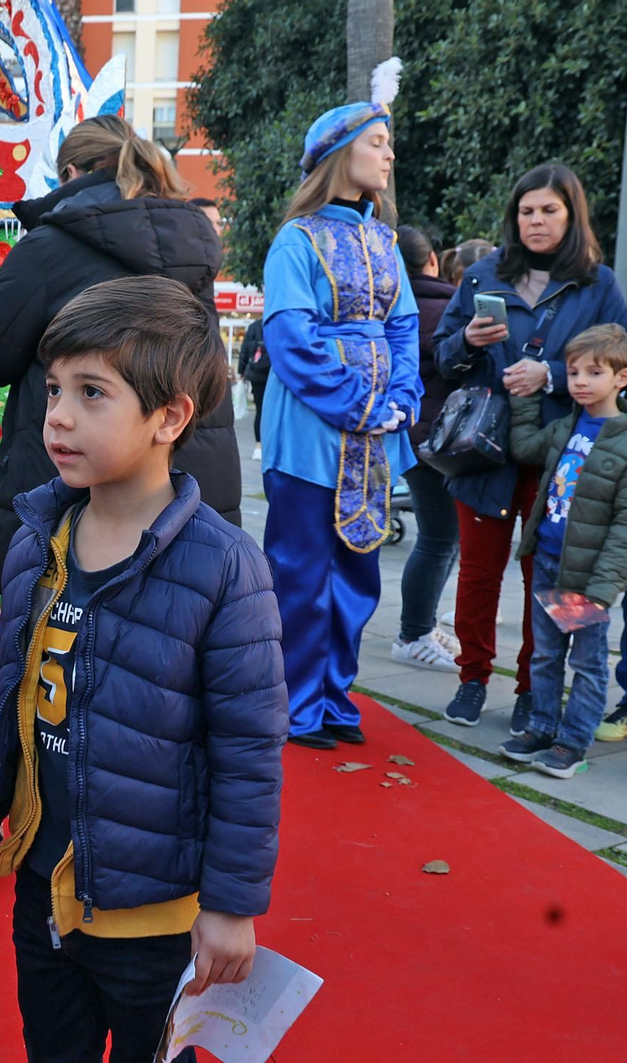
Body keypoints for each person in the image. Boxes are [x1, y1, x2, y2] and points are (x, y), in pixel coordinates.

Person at [0, 275, 285, 1063]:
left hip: (154, 917)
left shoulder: (225, 569)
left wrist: (231, 903)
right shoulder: (39, 538)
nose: (59, 415)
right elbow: (10, 695)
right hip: (44, 893)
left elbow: (248, 753)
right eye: (55, 388)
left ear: (170, 417)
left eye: (92, 392)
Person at [0, 114, 237, 596]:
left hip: (72, 484)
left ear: (70, 173)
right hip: (186, 469)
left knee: (56, 618)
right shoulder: (189, 240)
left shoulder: (52, 244)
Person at [434, 163, 627, 733]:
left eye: (549, 210)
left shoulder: (598, 284)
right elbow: (443, 357)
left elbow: (621, 364)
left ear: (572, 216)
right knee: (478, 572)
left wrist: (551, 376)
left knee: (543, 577)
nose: (536, 221)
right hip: (483, 448)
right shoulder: (483, 274)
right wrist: (468, 339)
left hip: (561, 455)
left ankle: (530, 689)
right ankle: (472, 678)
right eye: (526, 211)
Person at [259, 81, 421, 749]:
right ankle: (293, 705)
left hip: (375, 436)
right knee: (300, 571)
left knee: (358, 570)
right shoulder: (295, 240)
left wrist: (403, 398)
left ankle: (333, 698)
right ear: (339, 154)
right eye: (377, 143)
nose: (388, 155)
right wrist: (360, 405)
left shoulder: (385, 241)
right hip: (310, 435)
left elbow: (404, 326)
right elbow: (289, 338)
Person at [500, 324, 627, 776]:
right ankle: (541, 728)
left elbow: (626, 525)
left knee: (586, 662)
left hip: (585, 573)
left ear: (622, 378)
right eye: (573, 372)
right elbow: (524, 447)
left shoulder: (624, 439)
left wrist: (603, 586)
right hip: (549, 560)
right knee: (545, 654)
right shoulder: (568, 426)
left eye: (594, 372)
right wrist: (523, 398)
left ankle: (572, 743)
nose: (580, 381)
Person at [391, 225, 462, 671]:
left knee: (440, 538)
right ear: (432, 260)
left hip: (411, 436)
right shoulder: (450, 308)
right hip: (443, 439)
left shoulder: (386, 307)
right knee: (439, 539)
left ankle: (423, 625)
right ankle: (413, 633)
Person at [237, 315, 271, 457]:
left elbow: (244, 350)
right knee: (273, 411)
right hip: (274, 375)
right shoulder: (277, 323)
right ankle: (271, 445)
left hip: (256, 375)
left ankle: (258, 446)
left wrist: (241, 371)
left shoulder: (254, 327)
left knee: (260, 411)